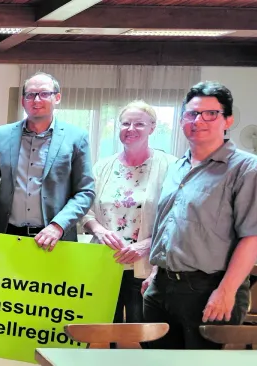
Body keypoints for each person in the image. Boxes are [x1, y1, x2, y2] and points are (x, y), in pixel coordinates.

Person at [142, 81, 257, 349]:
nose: (199, 120)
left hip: (210, 289)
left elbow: (252, 237)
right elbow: (170, 226)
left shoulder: (246, 169)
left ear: (227, 120)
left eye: (210, 114)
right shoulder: (176, 167)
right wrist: (155, 272)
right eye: (191, 114)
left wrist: (226, 291)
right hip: (162, 288)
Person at [81, 101, 177, 324]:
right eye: (125, 123)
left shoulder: (170, 166)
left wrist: (147, 245)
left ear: (152, 128)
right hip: (105, 263)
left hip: (145, 266)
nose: (131, 129)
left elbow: (177, 218)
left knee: (143, 333)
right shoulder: (102, 167)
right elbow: (85, 209)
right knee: (104, 331)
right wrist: (98, 230)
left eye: (139, 124)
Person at [0, 72, 95, 250]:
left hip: (54, 240)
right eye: (30, 94)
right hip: (5, 236)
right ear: (23, 100)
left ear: (57, 97)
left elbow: (85, 192)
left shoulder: (77, 138)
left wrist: (58, 226)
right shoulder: (3, 134)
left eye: (44, 94)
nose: (36, 99)